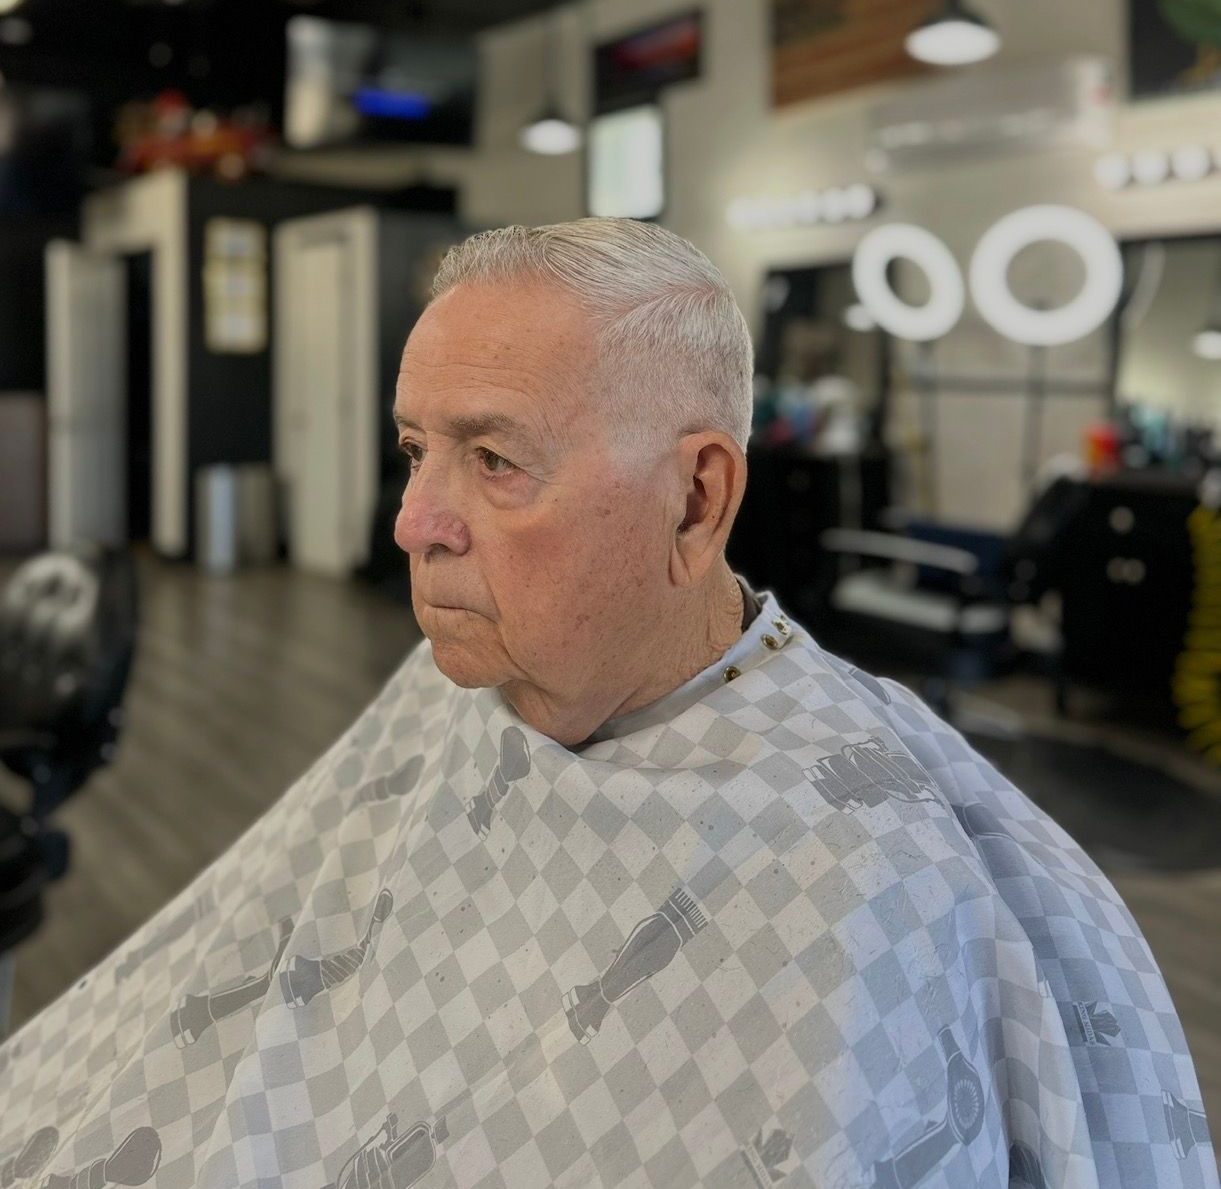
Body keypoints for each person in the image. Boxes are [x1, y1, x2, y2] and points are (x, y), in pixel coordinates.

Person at [1, 219, 1214, 1189]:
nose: (412, 520)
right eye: (415, 447)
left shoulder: (866, 880)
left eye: (493, 459)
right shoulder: (449, 690)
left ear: (696, 501)